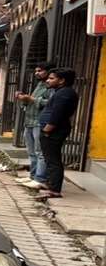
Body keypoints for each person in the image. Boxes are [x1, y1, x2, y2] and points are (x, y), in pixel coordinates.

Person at [37, 68, 79, 200]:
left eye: (51, 78)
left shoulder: (64, 94)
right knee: (50, 159)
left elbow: (57, 114)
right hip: (52, 130)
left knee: (53, 160)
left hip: (54, 131)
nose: (48, 81)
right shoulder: (60, 92)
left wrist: (47, 130)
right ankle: (50, 185)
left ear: (62, 80)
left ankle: (54, 190)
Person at [14, 62, 54, 189]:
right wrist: (24, 99)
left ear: (48, 72)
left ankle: (40, 178)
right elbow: (31, 102)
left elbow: (52, 103)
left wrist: (32, 99)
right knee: (31, 152)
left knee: (40, 151)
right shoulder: (39, 85)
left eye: (40, 71)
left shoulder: (51, 87)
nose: (37, 73)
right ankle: (33, 176)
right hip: (29, 121)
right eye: (36, 71)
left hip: (39, 122)